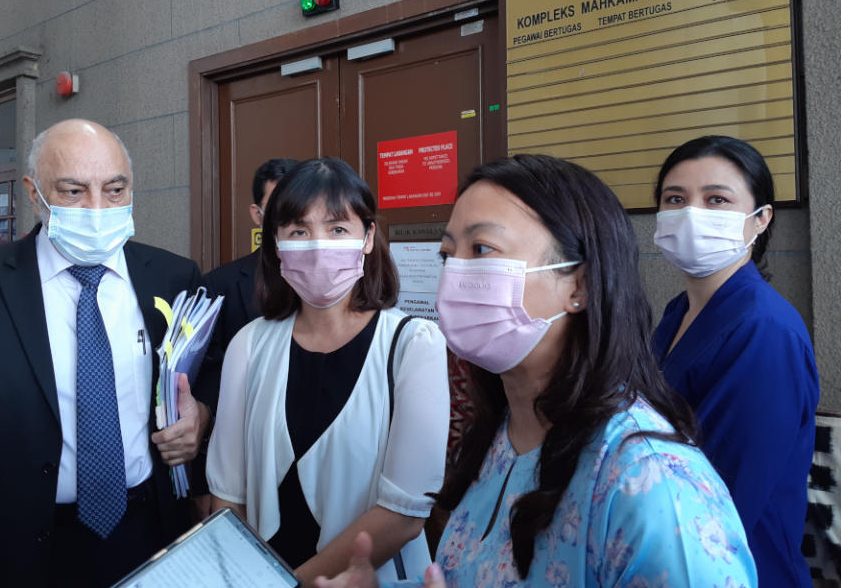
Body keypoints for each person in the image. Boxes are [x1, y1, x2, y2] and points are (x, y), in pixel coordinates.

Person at [317, 154, 756, 588]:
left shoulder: (652, 485)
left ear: (579, 285)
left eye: (482, 249)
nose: (454, 274)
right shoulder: (502, 437)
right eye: (448, 253)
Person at [0, 119, 206, 588]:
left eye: (115, 190)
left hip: (148, 535)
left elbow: (203, 374)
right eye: (74, 191)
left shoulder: (174, 278)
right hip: (15, 552)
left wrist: (202, 415)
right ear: (35, 195)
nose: (98, 208)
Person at [206, 157, 449, 585]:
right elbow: (229, 495)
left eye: (337, 229)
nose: (318, 245)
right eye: (299, 231)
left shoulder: (414, 344)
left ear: (368, 237)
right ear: (276, 243)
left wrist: (291, 584)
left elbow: (404, 514)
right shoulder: (249, 344)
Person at [651, 135, 818, 588]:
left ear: (761, 219)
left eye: (716, 199)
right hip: (665, 547)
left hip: (732, 566)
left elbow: (725, 495)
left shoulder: (764, 332)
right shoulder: (677, 313)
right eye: (676, 199)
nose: (691, 214)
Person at [191, 157, 298, 515]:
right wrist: (205, 482)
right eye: (276, 209)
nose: (288, 219)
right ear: (257, 214)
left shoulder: (331, 285)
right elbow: (205, 383)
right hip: (240, 464)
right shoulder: (218, 285)